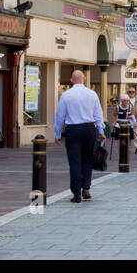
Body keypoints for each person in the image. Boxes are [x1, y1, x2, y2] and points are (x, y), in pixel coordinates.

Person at [54, 70, 106, 203]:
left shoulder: (66, 95)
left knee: (74, 161)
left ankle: (76, 193)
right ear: (84, 79)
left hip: (73, 129)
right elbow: (98, 114)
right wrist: (100, 131)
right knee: (88, 159)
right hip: (89, 128)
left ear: (71, 80)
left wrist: (58, 133)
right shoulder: (92, 94)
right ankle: (86, 188)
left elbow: (60, 116)